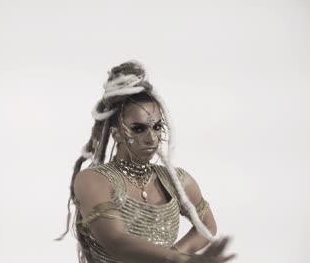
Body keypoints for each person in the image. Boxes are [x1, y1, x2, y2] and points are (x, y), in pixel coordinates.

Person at [57, 60, 236, 263]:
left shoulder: (178, 180)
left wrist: (177, 255)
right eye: (138, 128)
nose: (151, 138)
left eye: (157, 127)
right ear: (116, 133)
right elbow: (117, 243)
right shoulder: (93, 180)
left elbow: (206, 226)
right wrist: (181, 260)